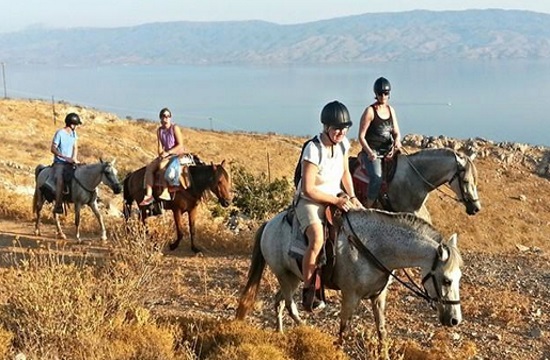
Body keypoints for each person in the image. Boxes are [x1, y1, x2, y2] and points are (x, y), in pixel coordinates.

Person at [295, 100, 363, 312]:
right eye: (337, 128)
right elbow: (308, 189)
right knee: (317, 239)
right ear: (326, 127)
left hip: (336, 196)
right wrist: (336, 201)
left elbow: (345, 173)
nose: (341, 132)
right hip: (310, 201)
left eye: (345, 128)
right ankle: (309, 291)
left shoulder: (343, 144)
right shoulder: (313, 149)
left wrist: (352, 197)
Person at [357, 77, 402, 208]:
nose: (383, 96)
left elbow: (396, 133)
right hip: (373, 153)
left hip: (389, 151)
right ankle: (368, 206)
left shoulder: (391, 110)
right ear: (376, 94)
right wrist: (369, 153)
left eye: (386, 93)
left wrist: (397, 143)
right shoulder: (370, 111)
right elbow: (361, 136)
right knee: (377, 177)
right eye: (380, 93)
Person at [139, 107, 187, 206]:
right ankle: (149, 195)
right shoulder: (160, 130)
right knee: (150, 168)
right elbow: (160, 146)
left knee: (161, 165)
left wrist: (168, 152)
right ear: (160, 118)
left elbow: (180, 145)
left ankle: (165, 190)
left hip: (176, 153)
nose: (166, 118)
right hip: (166, 154)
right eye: (164, 116)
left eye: (168, 116)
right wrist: (161, 154)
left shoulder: (175, 128)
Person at [51, 112, 82, 214]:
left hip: (70, 162)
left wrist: (74, 158)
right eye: (76, 125)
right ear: (72, 124)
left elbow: (75, 147)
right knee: (60, 180)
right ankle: (58, 205)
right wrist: (65, 158)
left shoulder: (74, 134)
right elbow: (53, 149)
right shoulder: (59, 133)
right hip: (59, 163)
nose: (77, 127)